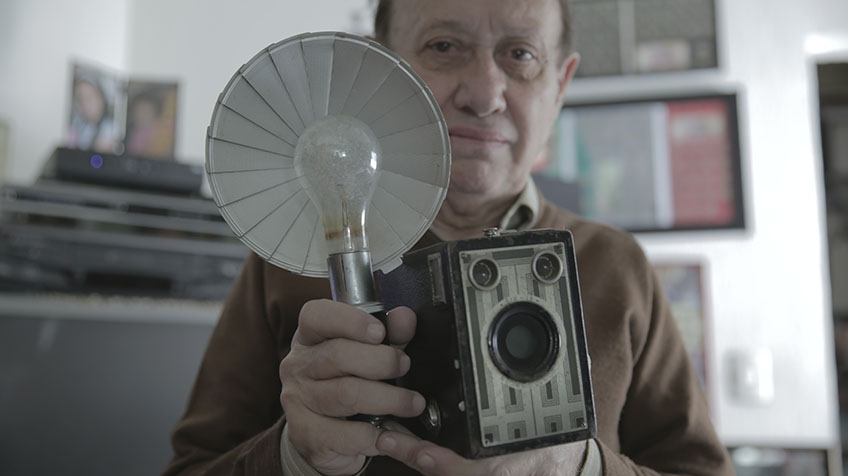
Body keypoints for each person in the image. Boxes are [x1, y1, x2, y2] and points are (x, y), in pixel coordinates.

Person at [164, 0, 734, 474]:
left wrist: (581, 467)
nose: (484, 95)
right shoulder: (294, 261)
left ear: (560, 84)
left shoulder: (617, 266)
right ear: (379, 71)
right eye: (444, 46)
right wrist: (295, 456)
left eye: (520, 54)